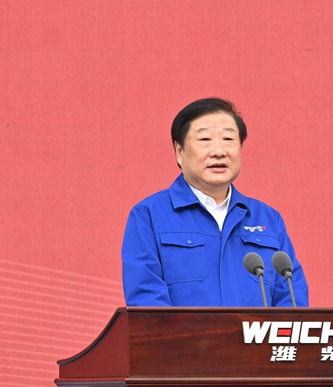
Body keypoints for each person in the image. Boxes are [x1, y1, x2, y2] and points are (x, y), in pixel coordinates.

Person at [121, 98, 308, 306]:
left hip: (256, 331)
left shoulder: (268, 219)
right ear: (179, 152)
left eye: (228, 139)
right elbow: (148, 302)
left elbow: (292, 300)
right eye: (205, 139)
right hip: (186, 331)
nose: (219, 151)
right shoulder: (149, 216)